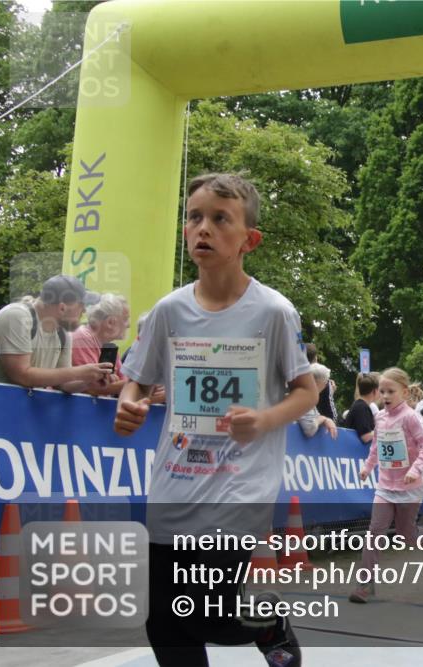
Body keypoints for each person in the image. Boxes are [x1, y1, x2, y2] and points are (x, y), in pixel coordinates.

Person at [114, 173, 318, 667]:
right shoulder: (167, 311)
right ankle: (262, 621)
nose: (202, 228)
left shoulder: (272, 311)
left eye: (219, 219)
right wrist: (130, 402)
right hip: (174, 480)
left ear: (250, 239)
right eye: (194, 218)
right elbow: (137, 377)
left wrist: (264, 419)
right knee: (163, 622)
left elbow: (307, 392)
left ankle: (265, 624)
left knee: (206, 611)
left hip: (239, 485)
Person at [351, 367, 423, 603]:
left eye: (391, 391)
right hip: (385, 486)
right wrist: (367, 467)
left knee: (407, 536)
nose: (386, 396)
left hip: (410, 486)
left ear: (405, 392)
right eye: (382, 391)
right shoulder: (379, 417)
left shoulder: (411, 417)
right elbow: (376, 447)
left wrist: (415, 470)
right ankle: (366, 584)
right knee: (374, 532)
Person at [0, 274, 112, 392]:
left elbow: (63, 384)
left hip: (13, 408)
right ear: (62, 308)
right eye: (81, 305)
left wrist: (88, 381)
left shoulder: (63, 334)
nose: (84, 311)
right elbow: (21, 376)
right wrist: (78, 372)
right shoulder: (17, 316)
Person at [70, 292, 131, 396]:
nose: (128, 325)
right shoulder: (81, 338)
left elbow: (122, 383)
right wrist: (141, 385)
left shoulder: (108, 347)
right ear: (110, 323)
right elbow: (94, 388)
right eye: (125, 319)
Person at [298, 363, 339, 440]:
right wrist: (323, 419)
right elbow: (309, 429)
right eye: (326, 381)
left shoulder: (305, 396)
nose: (326, 385)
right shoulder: (305, 398)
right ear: (318, 382)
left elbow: (316, 417)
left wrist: (325, 419)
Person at [305, 342, 338, 422]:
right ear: (315, 358)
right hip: (322, 425)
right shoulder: (324, 379)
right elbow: (332, 414)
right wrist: (331, 393)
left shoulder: (296, 377)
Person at [345, 372, 379, 444]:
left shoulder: (361, 405)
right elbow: (365, 437)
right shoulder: (361, 407)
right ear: (375, 391)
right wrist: (384, 431)